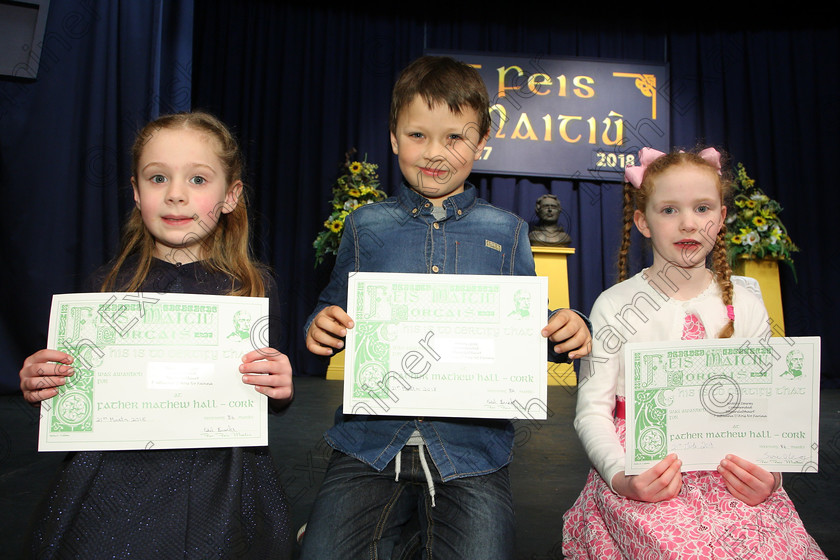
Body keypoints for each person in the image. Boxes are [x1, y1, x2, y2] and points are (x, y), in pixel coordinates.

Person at [300, 55, 592, 559]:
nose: (435, 153)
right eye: (417, 136)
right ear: (393, 137)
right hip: (370, 443)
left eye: (455, 137)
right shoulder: (364, 226)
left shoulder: (509, 232)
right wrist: (319, 326)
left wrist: (568, 329)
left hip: (471, 451)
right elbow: (331, 309)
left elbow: (530, 332)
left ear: (482, 142)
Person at [19, 111, 294, 559]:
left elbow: (266, 396)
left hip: (221, 480)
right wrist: (45, 384)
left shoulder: (253, 287)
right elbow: (78, 397)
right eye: (158, 178)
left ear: (230, 195)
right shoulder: (106, 287)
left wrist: (280, 387)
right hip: (113, 481)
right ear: (135, 191)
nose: (176, 195)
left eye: (199, 180)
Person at [562, 147, 826, 559]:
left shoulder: (747, 303)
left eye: (702, 208)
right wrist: (621, 478)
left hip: (729, 470)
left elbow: (767, 410)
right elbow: (592, 411)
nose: (688, 223)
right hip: (646, 469)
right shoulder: (614, 305)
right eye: (668, 210)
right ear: (642, 222)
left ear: (721, 219)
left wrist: (770, 476)